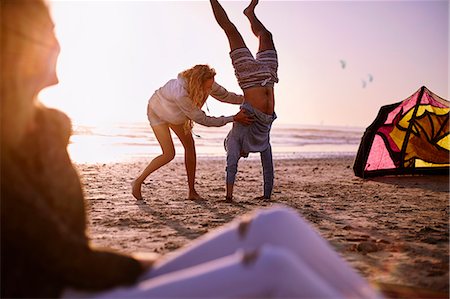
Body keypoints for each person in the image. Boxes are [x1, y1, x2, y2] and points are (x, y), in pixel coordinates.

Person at [1, 1, 382, 298]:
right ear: (14, 45)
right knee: (273, 267)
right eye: (47, 33)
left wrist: (242, 107)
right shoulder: (182, 95)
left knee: (275, 223)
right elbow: (60, 256)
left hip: (80, 275)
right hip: (58, 291)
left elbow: (228, 96)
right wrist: (155, 267)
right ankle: (146, 182)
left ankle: (364, 295)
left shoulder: (45, 127)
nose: (57, 44)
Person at [131, 65, 253, 201]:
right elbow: (203, 119)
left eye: (210, 86)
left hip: (177, 114)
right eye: (206, 87)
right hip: (157, 112)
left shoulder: (209, 82)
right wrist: (233, 118)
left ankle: (192, 192)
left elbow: (225, 96)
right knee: (169, 154)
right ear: (197, 83)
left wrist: (249, 99)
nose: (209, 90)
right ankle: (138, 181)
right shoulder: (180, 93)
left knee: (190, 146)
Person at [210, 0, 279, 202]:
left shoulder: (236, 137)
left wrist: (228, 197)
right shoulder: (260, 141)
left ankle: (218, 2)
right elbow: (268, 165)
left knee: (231, 31)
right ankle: (250, 13)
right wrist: (266, 196)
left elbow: (231, 164)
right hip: (269, 75)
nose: (242, 155)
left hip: (248, 76)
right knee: (266, 36)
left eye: (240, 154)